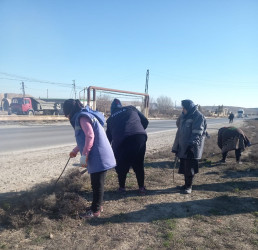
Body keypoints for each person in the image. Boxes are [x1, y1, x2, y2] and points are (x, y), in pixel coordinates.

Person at [63, 99, 116, 218]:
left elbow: (90, 136)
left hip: (99, 155)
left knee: (97, 184)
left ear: (69, 111)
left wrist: (84, 155)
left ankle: (95, 210)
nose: (67, 117)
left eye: (66, 115)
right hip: (97, 154)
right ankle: (97, 206)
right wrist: (75, 151)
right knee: (96, 183)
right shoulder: (84, 116)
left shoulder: (82, 117)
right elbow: (84, 139)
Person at [106, 98, 149, 195]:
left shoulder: (110, 119)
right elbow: (145, 121)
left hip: (122, 140)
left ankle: (122, 188)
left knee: (121, 164)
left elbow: (108, 138)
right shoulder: (131, 108)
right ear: (120, 106)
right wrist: (137, 129)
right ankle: (141, 188)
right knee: (138, 163)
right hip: (139, 137)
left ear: (112, 110)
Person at [172, 99, 207, 194]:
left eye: (184, 108)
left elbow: (197, 133)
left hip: (192, 147)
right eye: (182, 108)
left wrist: (191, 145)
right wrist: (182, 115)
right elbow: (178, 125)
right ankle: (185, 184)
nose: (182, 109)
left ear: (189, 107)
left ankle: (189, 187)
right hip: (183, 145)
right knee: (184, 166)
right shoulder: (185, 115)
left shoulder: (198, 116)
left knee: (190, 167)